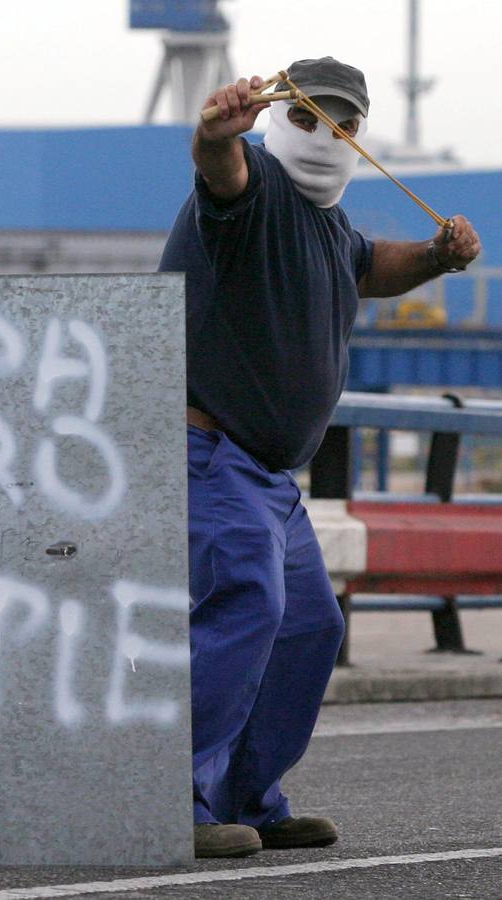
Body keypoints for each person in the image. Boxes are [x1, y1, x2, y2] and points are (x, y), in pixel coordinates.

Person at [159, 56, 482, 859]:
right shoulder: (257, 189)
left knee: (310, 624)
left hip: (269, 477)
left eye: (341, 122)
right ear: (276, 116)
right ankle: (168, 800)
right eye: (305, 116)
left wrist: (438, 255)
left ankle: (249, 797)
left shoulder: (327, 222)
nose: (323, 133)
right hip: (212, 452)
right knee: (248, 605)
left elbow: (370, 266)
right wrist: (213, 133)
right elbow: (219, 172)